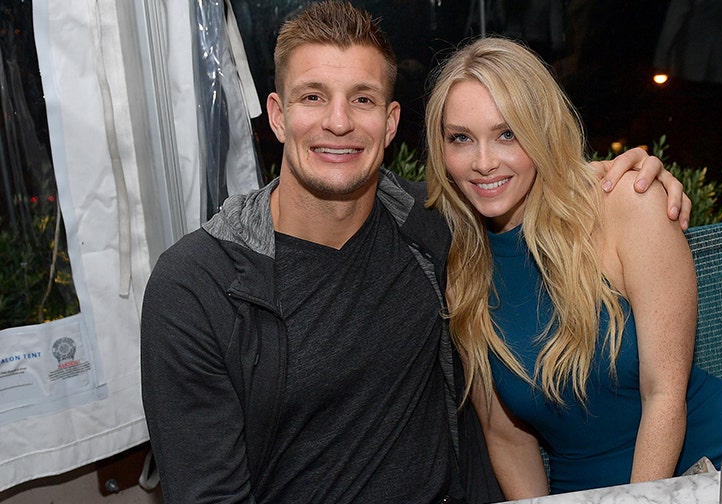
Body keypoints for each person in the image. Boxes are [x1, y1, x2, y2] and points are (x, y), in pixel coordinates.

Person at [140, 2, 690, 503]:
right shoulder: (196, 289)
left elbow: (528, 186)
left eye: (362, 99)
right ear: (279, 117)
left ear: (390, 123)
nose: (339, 121)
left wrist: (618, 181)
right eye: (313, 97)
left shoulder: (434, 230)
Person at [424, 36, 722, 499]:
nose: (483, 163)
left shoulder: (626, 202)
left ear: (542, 131)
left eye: (508, 133)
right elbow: (507, 438)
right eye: (461, 138)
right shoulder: (460, 269)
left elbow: (664, 395)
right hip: (584, 489)